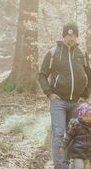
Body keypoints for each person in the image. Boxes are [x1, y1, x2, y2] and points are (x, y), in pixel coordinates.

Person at [39, 22, 91, 169]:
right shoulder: (54, 52)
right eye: (69, 35)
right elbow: (42, 75)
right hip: (58, 101)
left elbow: (90, 75)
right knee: (59, 134)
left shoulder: (83, 54)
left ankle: (66, 164)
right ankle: (60, 166)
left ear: (77, 36)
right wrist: (49, 93)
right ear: (64, 36)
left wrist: (85, 95)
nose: (71, 38)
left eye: (74, 35)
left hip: (77, 103)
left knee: (72, 135)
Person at [60, 103, 91, 169]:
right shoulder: (76, 125)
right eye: (86, 116)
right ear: (81, 115)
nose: (88, 118)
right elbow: (69, 136)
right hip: (77, 153)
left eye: (90, 116)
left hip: (88, 153)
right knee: (79, 167)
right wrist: (63, 145)